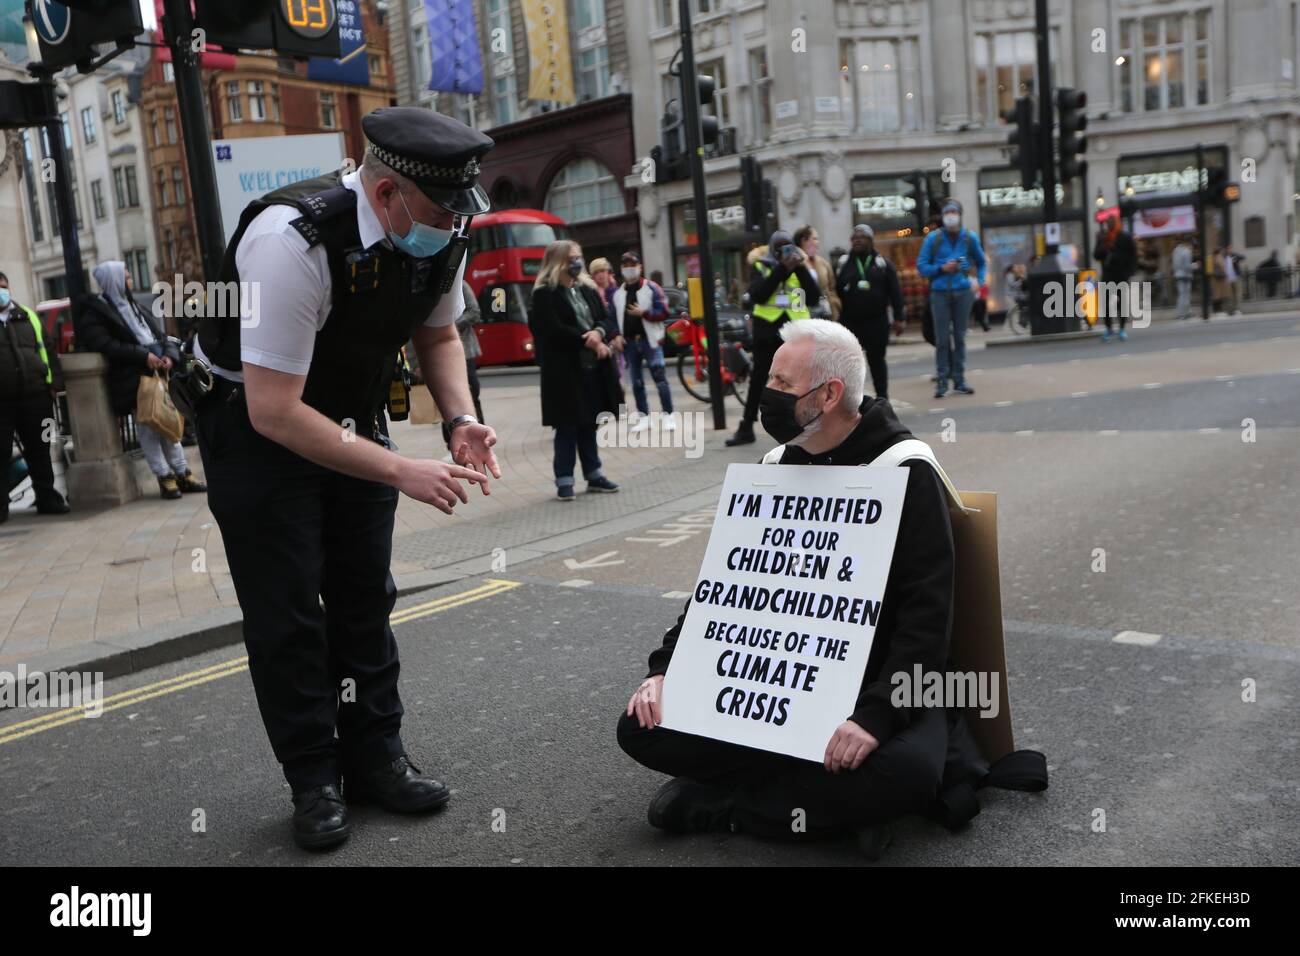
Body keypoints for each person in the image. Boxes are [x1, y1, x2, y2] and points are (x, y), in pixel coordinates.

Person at [185, 107, 502, 851]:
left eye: (462, 211)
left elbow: (437, 330)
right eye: (438, 210)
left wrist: (459, 421)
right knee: (290, 611)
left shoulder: (441, 232)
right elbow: (274, 411)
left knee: (365, 595)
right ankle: (314, 778)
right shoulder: (288, 242)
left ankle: (378, 757)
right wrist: (403, 472)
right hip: (257, 430)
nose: (454, 226)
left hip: (351, 414)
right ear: (387, 194)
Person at [618, 319, 954, 843]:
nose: (764, 394)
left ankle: (732, 806)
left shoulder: (905, 471)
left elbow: (927, 614)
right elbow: (721, 588)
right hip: (775, 692)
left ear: (829, 394)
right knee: (641, 727)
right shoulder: (775, 465)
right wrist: (665, 670)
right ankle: (823, 806)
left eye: (780, 383)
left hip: (873, 688)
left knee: (910, 773)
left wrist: (875, 717)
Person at [78, 262, 206, 500]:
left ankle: (182, 472)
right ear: (114, 281)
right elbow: (104, 344)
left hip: (158, 374)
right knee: (149, 428)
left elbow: (160, 335)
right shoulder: (98, 312)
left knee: (169, 424)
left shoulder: (134, 306)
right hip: (134, 378)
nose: (130, 281)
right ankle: (164, 477)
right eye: (126, 277)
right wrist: (142, 356)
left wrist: (169, 355)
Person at [529, 239, 623, 501]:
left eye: (578, 257)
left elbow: (605, 317)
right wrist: (586, 339)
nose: (577, 263)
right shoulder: (544, 293)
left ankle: (594, 474)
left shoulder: (587, 288)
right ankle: (564, 480)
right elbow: (551, 330)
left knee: (589, 422)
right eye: (571, 258)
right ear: (557, 261)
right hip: (564, 371)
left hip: (592, 368)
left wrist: (599, 332)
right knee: (568, 425)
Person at [726, 229, 822, 446]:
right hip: (767, 332)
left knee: (800, 379)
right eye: (779, 248)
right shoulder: (761, 266)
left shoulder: (801, 267)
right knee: (760, 379)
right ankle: (746, 427)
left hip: (796, 332)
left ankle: (802, 423)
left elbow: (814, 296)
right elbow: (757, 294)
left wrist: (798, 266)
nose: (784, 252)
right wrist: (781, 269)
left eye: (788, 247)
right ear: (771, 249)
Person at [0, 272, 68, 522]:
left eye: (4, 286)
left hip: (35, 395)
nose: (2, 291)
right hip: (2, 401)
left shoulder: (27, 315)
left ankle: (47, 497)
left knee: (39, 450)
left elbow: (47, 351)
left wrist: (53, 386)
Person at [917, 199, 984, 398]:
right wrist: (941, 268)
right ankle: (942, 382)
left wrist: (979, 281)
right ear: (943, 216)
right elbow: (921, 266)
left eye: (955, 211)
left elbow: (981, 262)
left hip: (963, 292)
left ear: (960, 215)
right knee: (942, 339)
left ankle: (960, 380)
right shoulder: (933, 239)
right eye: (948, 212)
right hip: (939, 293)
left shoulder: (969, 238)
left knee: (961, 337)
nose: (951, 215)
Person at [836, 224, 904, 400]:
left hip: (877, 322)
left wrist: (899, 318)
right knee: (851, 364)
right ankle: (853, 400)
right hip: (850, 322)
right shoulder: (844, 264)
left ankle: (883, 398)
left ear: (871, 241)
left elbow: (895, 292)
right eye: (854, 238)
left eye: (862, 237)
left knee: (877, 362)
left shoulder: (883, 264)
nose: (857, 240)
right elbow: (835, 292)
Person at [609, 251, 673, 432]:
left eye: (632, 265)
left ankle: (668, 415)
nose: (629, 269)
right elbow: (612, 318)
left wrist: (644, 313)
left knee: (659, 378)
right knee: (636, 382)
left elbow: (664, 311)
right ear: (621, 269)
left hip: (650, 340)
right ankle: (644, 417)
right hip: (629, 342)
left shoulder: (652, 288)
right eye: (626, 266)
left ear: (640, 267)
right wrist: (616, 335)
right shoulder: (618, 294)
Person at [437, 278, 485, 450]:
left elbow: (474, 312)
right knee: (445, 396)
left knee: (473, 391)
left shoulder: (461, 285)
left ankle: (479, 434)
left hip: (466, 352)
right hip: (442, 357)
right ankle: (452, 441)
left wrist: (445, 326)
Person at [1092, 212, 1137, 341]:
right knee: (1106, 303)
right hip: (1108, 274)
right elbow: (1096, 255)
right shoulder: (1102, 237)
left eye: (1112, 222)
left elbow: (1132, 255)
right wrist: (1103, 247)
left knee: (1121, 303)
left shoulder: (1125, 237)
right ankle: (1109, 328)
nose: (1110, 225)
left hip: (1121, 274)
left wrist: (1129, 272)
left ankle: (1121, 328)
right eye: (1108, 222)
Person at [793, 225, 840, 321]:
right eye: (814, 239)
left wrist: (835, 305)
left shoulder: (823, 263)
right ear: (803, 240)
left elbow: (832, 287)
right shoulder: (793, 262)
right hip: (802, 314)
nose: (817, 242)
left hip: (825, 315)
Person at [1172, 240, 1195, 320]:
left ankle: (1180, 313)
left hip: (1178, 275)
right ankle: (1185, 313)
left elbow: (1174, 265)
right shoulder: (1187, 252)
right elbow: (1187, 266)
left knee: (1181, 295)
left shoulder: (1175, 252)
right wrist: (1195, 265)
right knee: (1186, 295)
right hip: (1186, 275)